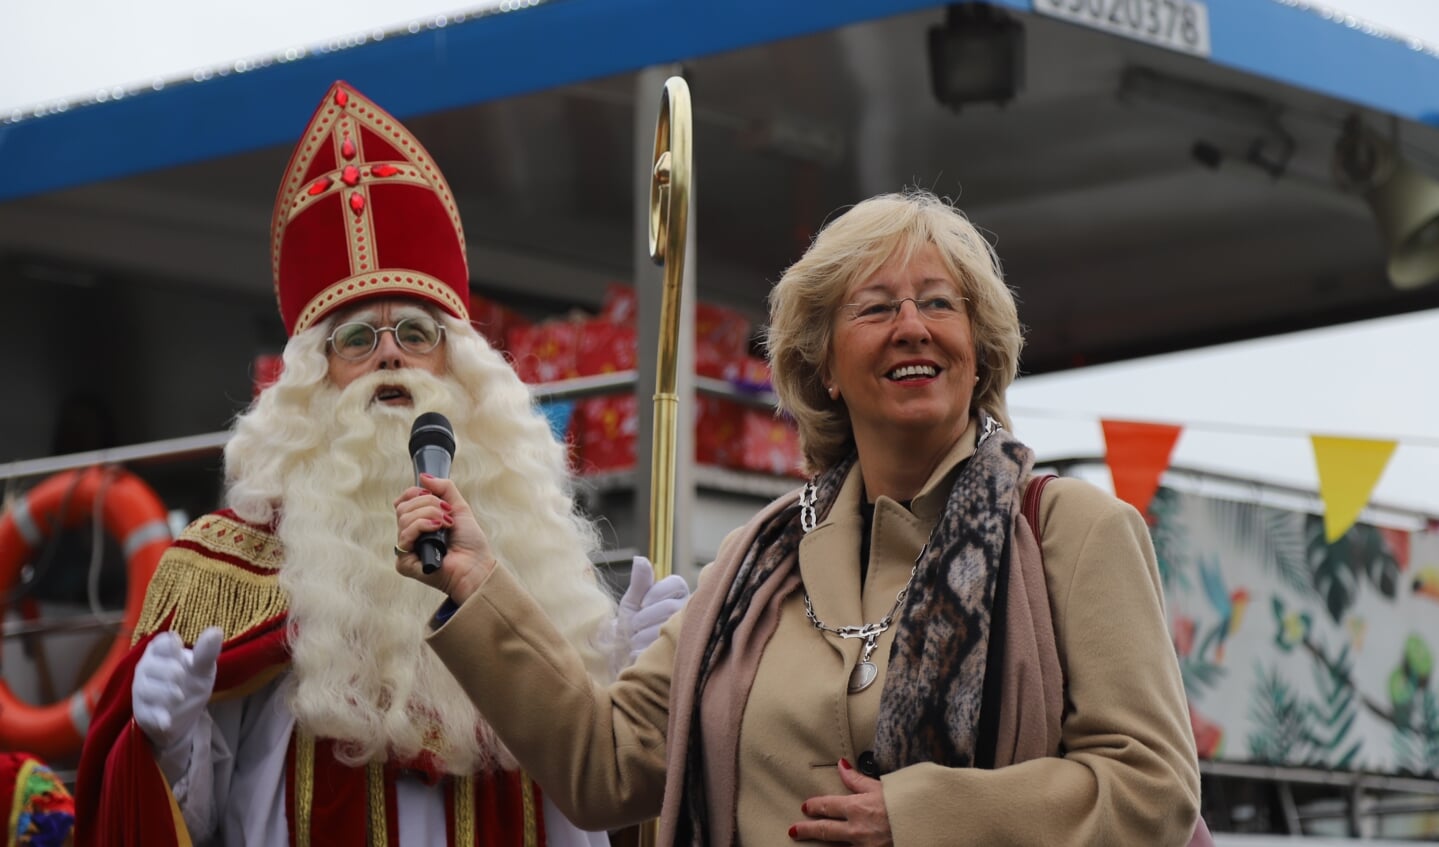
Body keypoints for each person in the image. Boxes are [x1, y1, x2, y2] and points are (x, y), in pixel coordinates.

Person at [396, 189, 1203, 845]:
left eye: (937, 303)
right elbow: (603, 766)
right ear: (821, 366)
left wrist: (920, 816)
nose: (912, 326)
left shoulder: (1073, 530)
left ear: (979, 347)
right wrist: (477, 583)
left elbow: (1151, 789)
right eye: (875, 307)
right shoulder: (757, 561)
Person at [74, 80, 687, 847]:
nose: (390, 351)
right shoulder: (220, 571)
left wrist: (634, 687)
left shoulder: (538, 563)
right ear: (310, 380)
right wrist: (164, 747)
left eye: (418, 330)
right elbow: (175, 822)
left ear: (461, 369)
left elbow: (604, 801)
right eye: (357, 338)